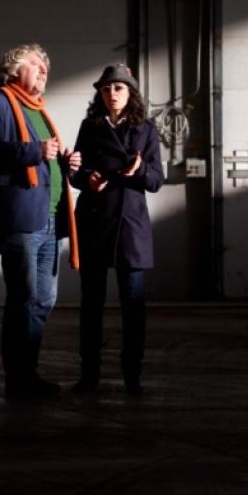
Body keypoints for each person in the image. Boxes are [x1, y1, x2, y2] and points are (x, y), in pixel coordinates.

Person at [0, 43, 81, 399]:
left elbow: (45, 163)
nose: (44, 69)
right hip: (20, 221)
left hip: (49, 221)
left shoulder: (39, 111)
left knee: (43, 301)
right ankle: (16, 379)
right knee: (22, 299)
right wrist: (37, 151)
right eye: (36, 64)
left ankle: (27, 375)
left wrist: (64, 163)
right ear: (14, 69)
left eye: (46, 65)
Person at [70, 64, 163, 395]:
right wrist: (86, 178)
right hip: (95, 220)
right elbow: (75, 172)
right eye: (106, 88)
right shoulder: (90, 126)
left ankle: (132, 378)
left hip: (131, 226)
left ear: (130, 93)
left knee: (133, 305)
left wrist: (137, 172)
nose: (112, 93)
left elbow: (156, 181)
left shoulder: (146, 129)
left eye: (119, 88)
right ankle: (89, 376)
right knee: (91, 304)